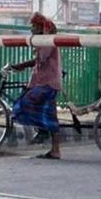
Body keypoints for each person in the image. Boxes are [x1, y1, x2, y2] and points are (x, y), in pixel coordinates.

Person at [9, 13, 62, 159]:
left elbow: (42, 58)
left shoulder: (46, 41)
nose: (31, 29)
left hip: (48, 82)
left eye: (33, 26)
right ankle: (54, 148)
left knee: (23, 103)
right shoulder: (45, 40)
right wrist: (23, 65)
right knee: (50, 115)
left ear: (40, 27)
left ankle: (42, 130)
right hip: (46, 81)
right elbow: (39, 60)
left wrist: (23, 64)